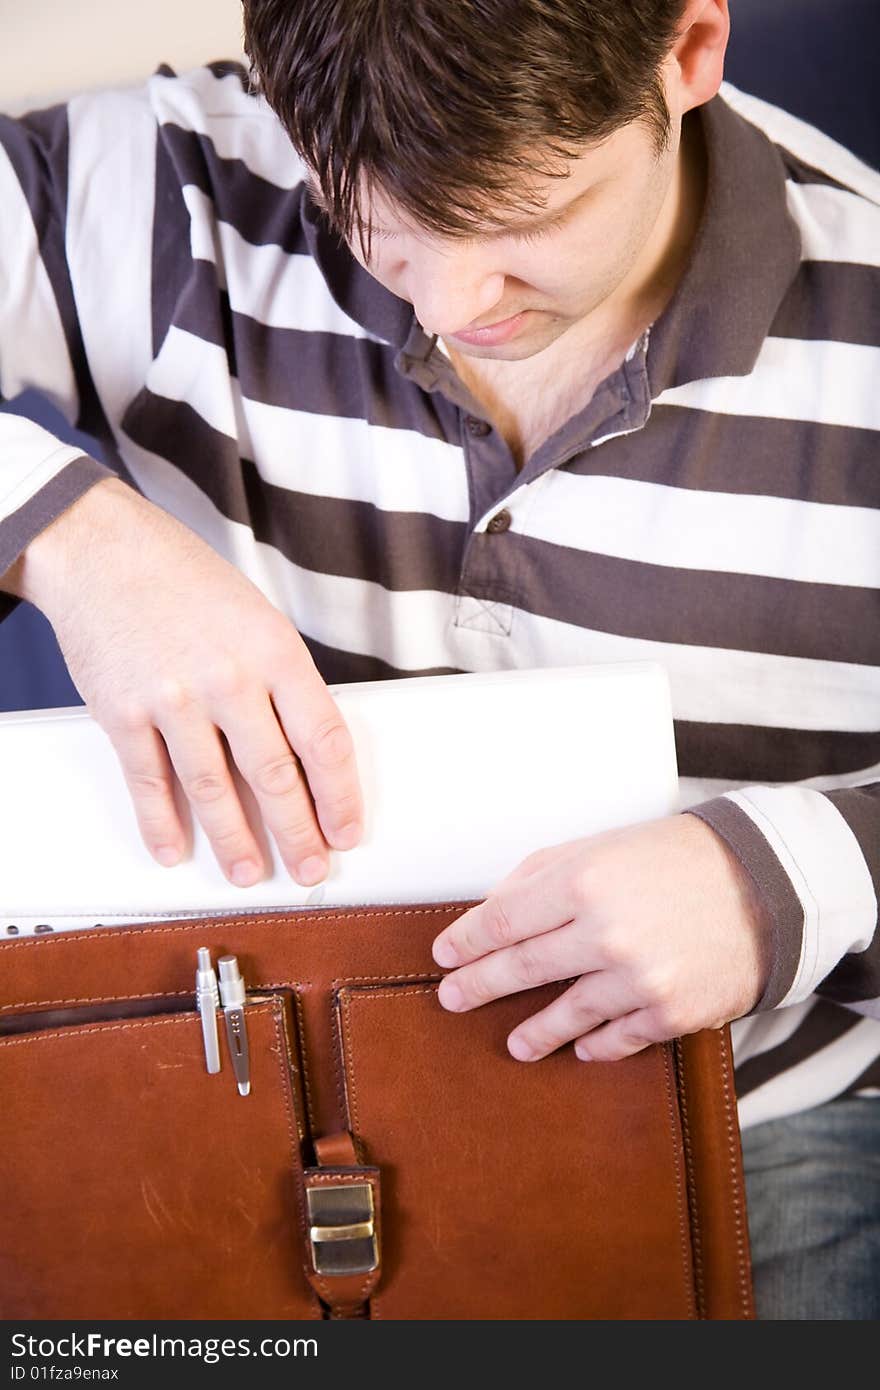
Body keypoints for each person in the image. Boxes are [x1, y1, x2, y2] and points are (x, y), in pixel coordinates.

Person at [0, 0, 877, 1319]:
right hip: (220, 1113)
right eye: (384, 224)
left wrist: (783, 883)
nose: (462, 303)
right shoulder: (171, 191)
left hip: (760, 1128)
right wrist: (70, 538)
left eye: (530, 212)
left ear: (687, 54)